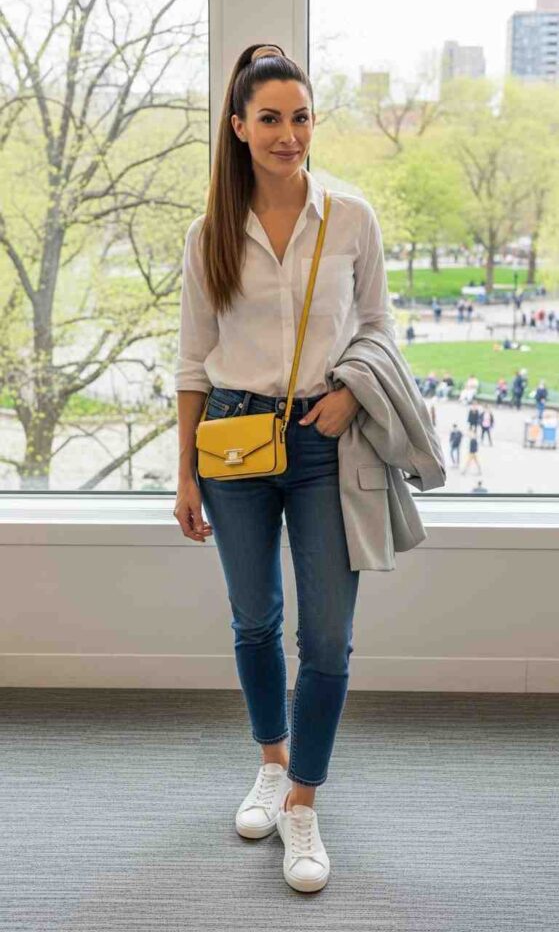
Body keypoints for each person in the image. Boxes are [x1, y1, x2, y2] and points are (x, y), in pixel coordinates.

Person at [173, 44, 397, 893]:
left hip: (322, 438)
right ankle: (271, 762)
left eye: (300, 117)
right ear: (237, 127)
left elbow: (377, 328)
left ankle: (303, 799)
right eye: (269, 119)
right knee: (254, 620)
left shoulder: (350, 217)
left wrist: (347, 393)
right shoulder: (209, 234)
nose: (288, 135)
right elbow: (192, 362)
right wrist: (184, 474)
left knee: (328, 636)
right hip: (230, 439)